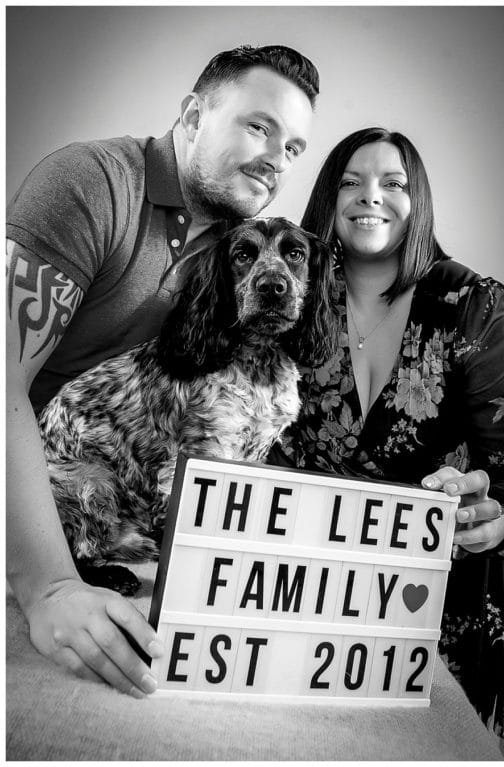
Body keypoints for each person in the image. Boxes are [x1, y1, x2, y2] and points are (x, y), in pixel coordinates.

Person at [6, 44, 319, 698]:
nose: (274, 158)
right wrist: (50, 586)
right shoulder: (90, 184)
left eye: (292, 148)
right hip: (36, 504)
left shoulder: (238, 239)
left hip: (124, 510)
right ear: (193, 112)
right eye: (259, 125)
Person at [270, 127, 504, 735]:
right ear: (328, 199)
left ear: (418, 199)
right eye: (350, 182)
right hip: (299, 564)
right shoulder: (281, 297)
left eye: (392, 183)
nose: (369, 196)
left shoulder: (473, 305)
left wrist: (492, 513)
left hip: (433, 583)